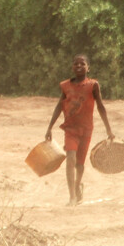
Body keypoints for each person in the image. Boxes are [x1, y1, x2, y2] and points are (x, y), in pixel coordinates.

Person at [45, 53, 114, 206]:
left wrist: (108, 130)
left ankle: (77, 185)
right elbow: (59, 106)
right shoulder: (65, 86)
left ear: (88, 68)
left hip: (86, 130)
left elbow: (101, 107)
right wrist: (49, 127)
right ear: (72, 67)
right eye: (76, 64)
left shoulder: (93, 85)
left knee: (80, 164)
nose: (79, 66)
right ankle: (72, 197)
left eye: (82, 64)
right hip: (70, 129)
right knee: (70, 159)